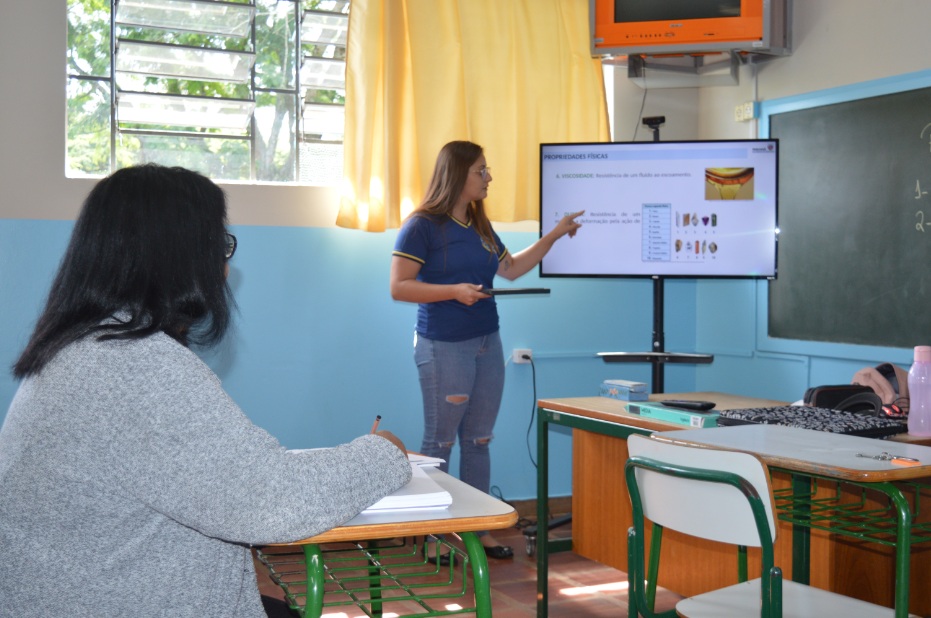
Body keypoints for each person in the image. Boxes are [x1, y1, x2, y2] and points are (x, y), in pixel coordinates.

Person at [0, 164, 412, 617]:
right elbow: (272, 502)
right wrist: (383, 453)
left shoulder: (77, 347)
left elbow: (228, 479)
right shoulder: (137, 366)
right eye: (220, 244)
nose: (225, 266)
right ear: (182, 255)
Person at [390, 140, 583, 559]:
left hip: (486, 342)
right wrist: (453, 292)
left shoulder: (479, 225)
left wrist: (554, 235)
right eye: (481, 170)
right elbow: (399, 287)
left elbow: (511, 269)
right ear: (457, 174)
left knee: (478, 440)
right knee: (440, 442)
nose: (488, 177)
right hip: (443, 346)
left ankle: (477, 530)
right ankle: (434, 535)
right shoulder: (422, 225)